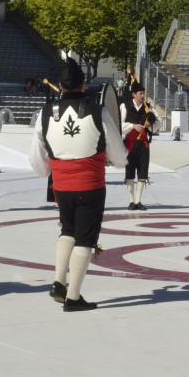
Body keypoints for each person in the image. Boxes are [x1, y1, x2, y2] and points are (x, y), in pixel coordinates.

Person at [29, 57, 127, 312]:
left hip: (61, 187)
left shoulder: (44, 114)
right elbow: (120, 156)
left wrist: (54, 167)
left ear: (60, 86)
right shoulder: (98, 112)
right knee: (84, 238)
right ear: (84, 85)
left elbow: (38, 162)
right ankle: (73, 297)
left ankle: (58, 282)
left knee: (67, 230)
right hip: (90, 186)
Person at [120, 81, 158, 210]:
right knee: (130, 171)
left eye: (143, 93)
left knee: (142, 172)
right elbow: (118, 125)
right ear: (133, 94)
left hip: (143, 144)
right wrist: (132, 126)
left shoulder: (148, 107)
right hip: (129, 143)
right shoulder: (125, 106)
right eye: (140, 94)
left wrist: (151, 124)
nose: (142, 96)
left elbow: (158, 124)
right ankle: (131, 201)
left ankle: (138, 201)